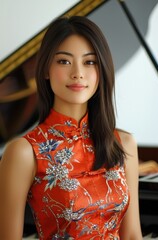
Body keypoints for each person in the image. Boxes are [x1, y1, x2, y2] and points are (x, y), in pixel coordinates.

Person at [0, 16, 142, 240]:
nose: (78, 73)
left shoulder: (124, 144)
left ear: (101, 69)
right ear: (45, 69)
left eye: (90, 62)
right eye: (64, 61)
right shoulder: (24, 152)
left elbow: (133, 235)